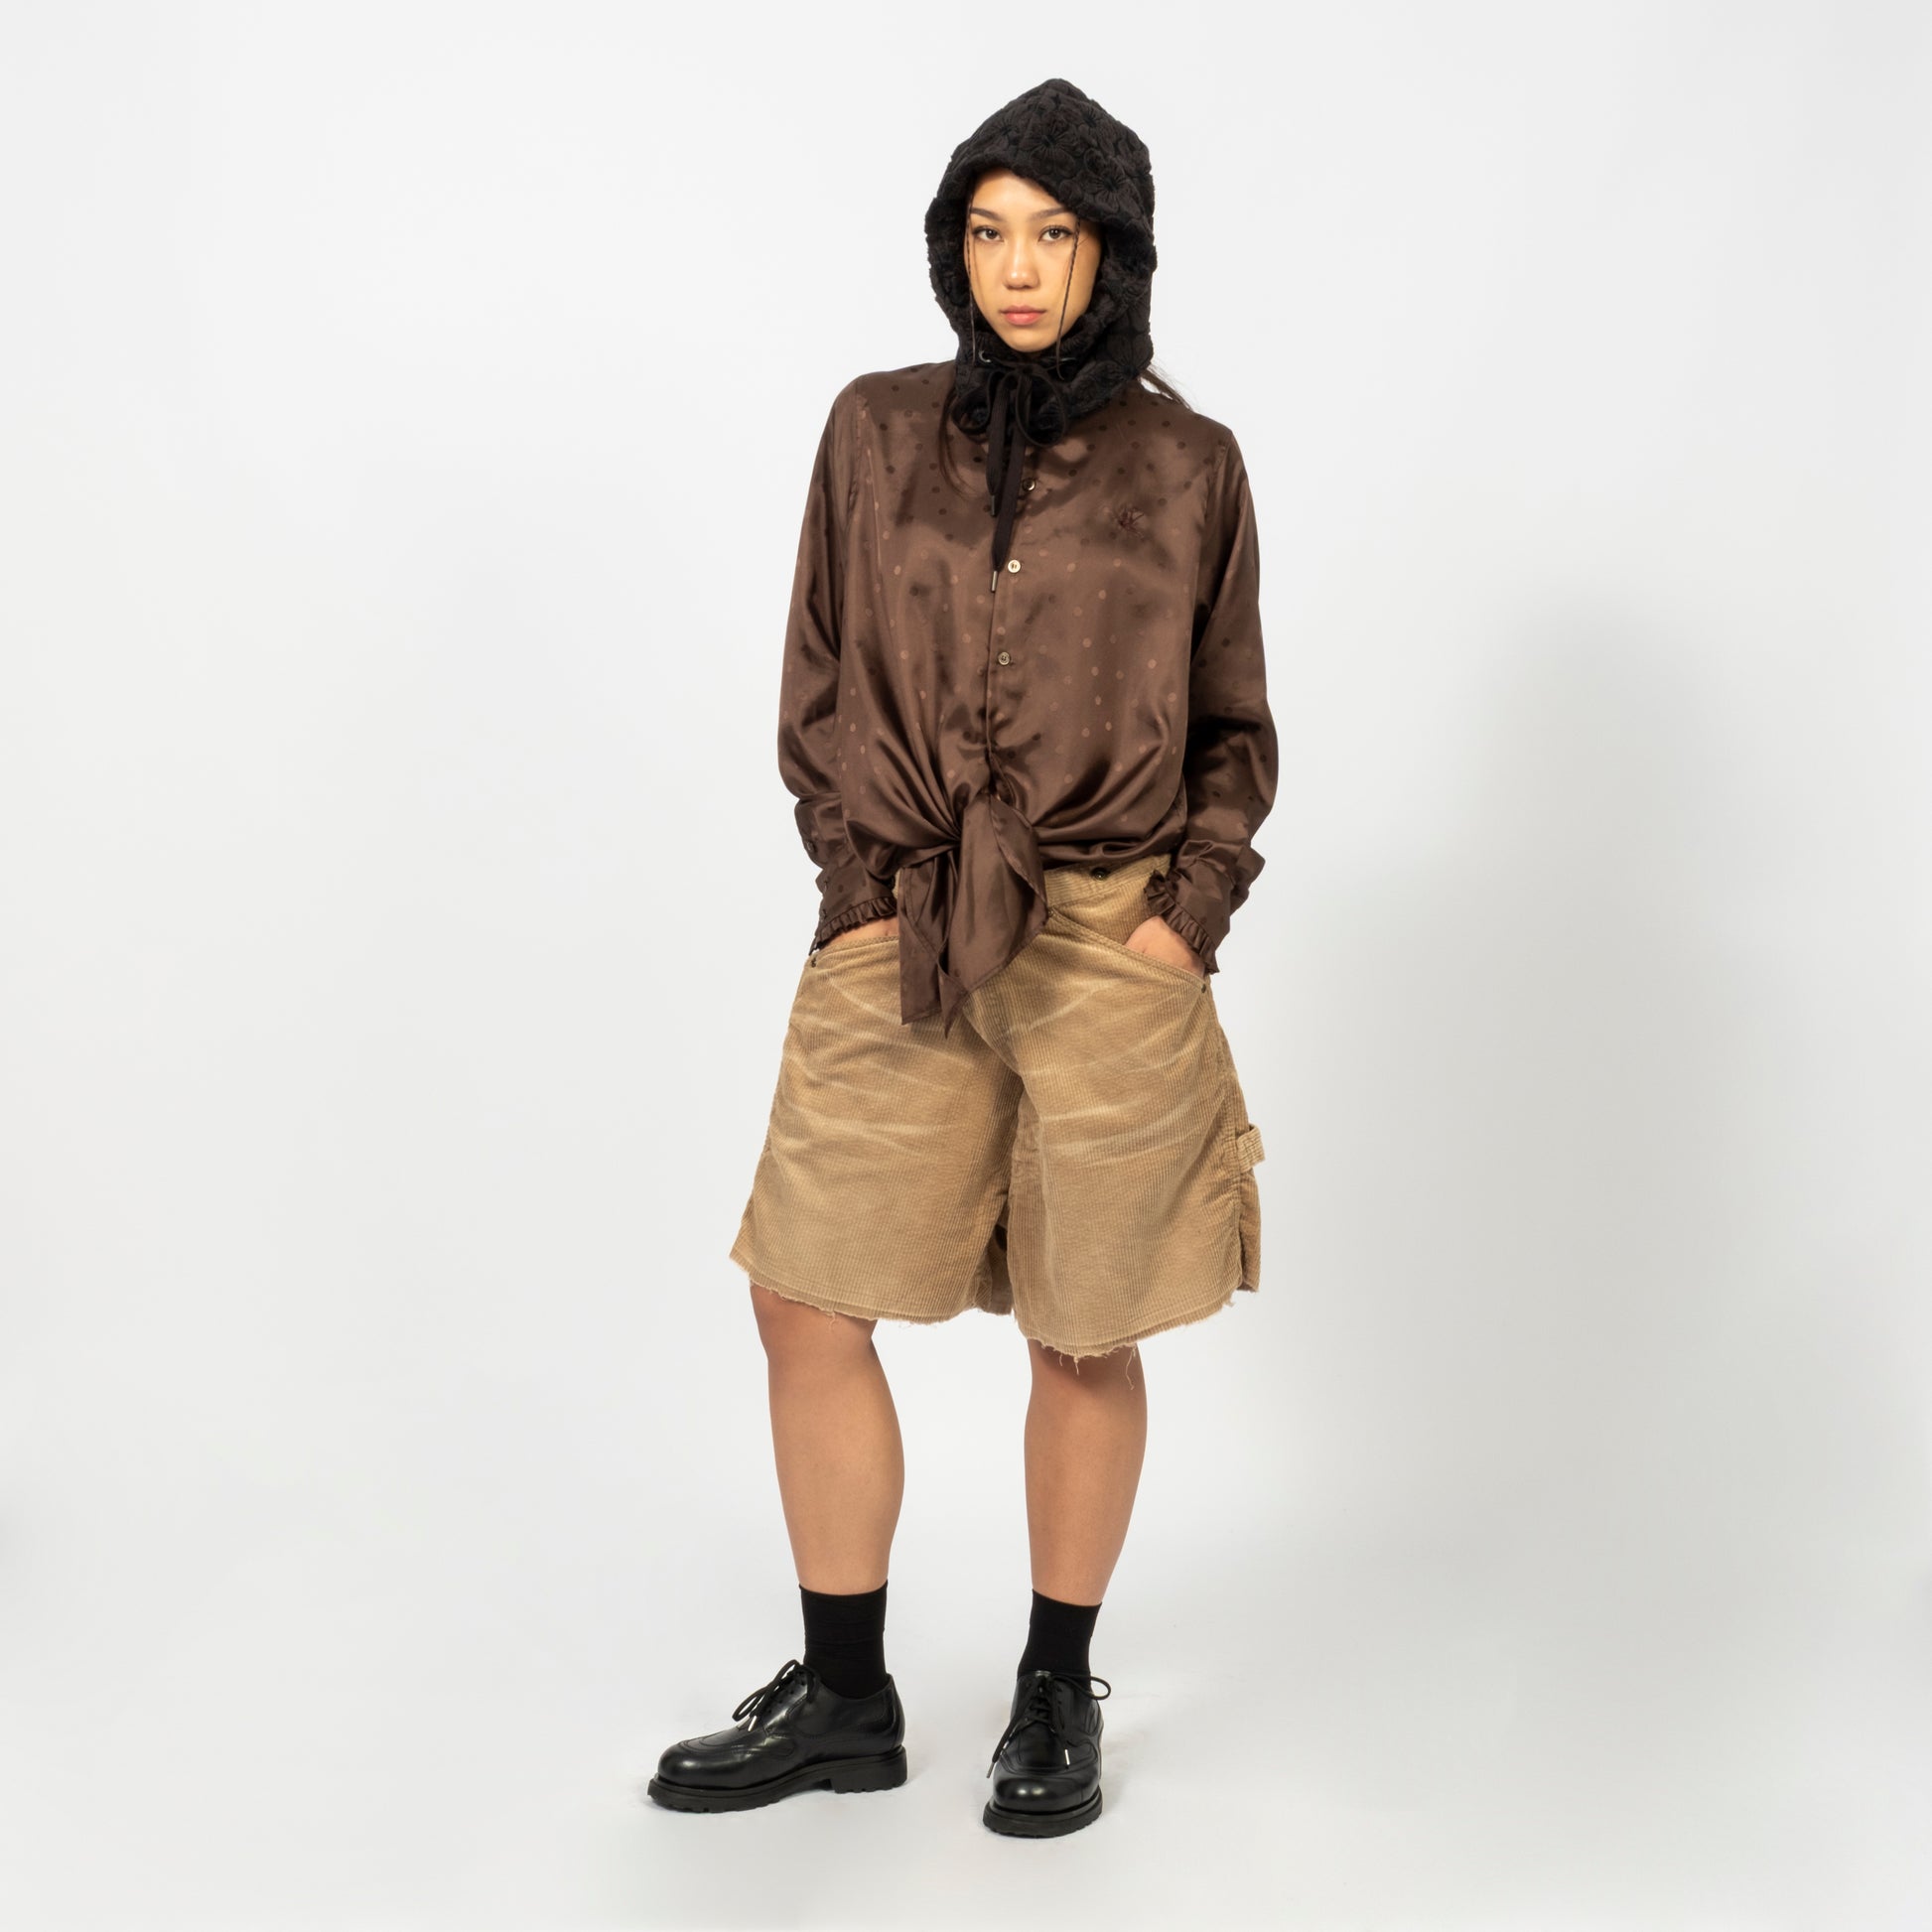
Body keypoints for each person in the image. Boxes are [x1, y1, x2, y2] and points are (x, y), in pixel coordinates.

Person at [648, 76, 1277, 1838]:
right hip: (906, 913)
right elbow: (818, 673)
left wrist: (1181, 923)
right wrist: (857, 881)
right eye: (988, 231)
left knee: (1083, 1329)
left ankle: (1054, 1685)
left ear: (1110, 253)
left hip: (1109, 935)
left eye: (1052, 234)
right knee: (801, 1294)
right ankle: (844, 1693)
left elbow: (1232, 724)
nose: (1016, 268)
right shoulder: (872, 432)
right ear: (952, 247)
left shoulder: (1191, 465)